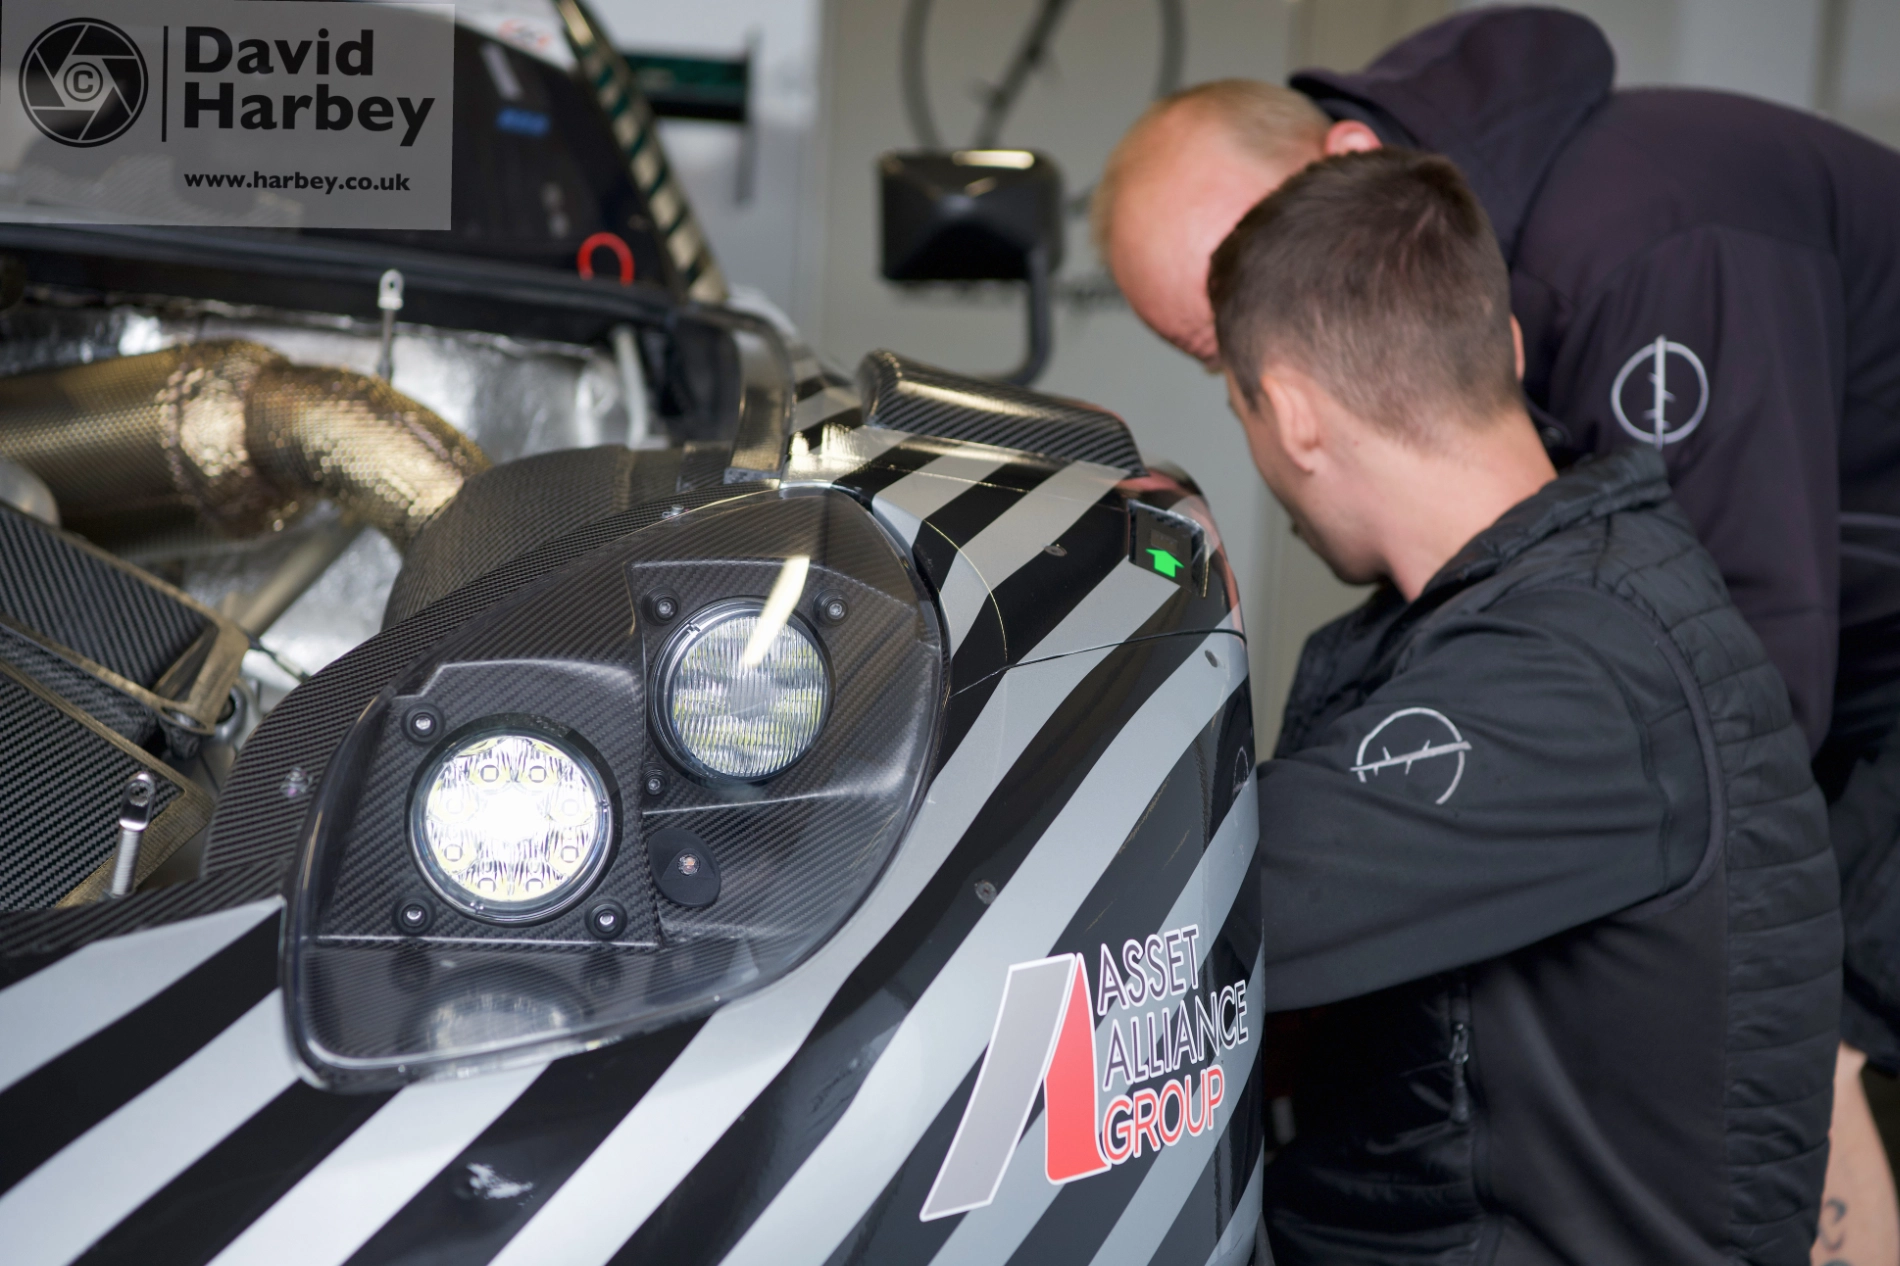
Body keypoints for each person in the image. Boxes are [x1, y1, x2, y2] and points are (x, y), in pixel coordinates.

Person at [1093, 8, 1900, 1256]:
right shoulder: (1550, 603)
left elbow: (1187, 924)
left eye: (1234, 362)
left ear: (1290, 414)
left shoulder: (1650, 265)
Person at [1224, 146, 1839, 1265]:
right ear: (1502, 348)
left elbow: (1228, 898)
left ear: (1294, 415)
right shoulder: (1560, 607)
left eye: (1244, 416)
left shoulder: (1580, 666)